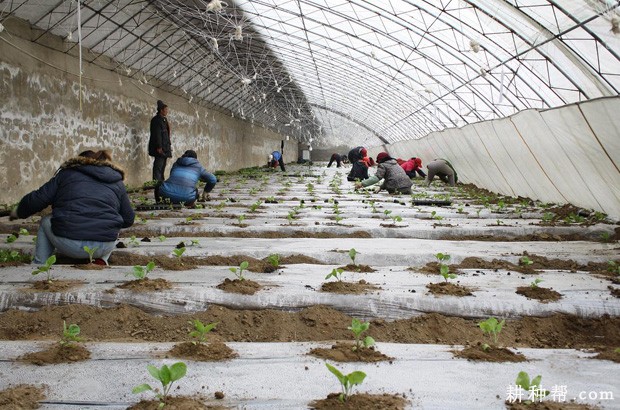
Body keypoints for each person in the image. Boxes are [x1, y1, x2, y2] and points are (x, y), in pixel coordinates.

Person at [9, 150, 135, 265]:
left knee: (46, 220)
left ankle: (39, 264)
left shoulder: (66, 174)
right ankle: (100, 259)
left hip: (70, 245)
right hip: (104, 246)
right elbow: (128, 218)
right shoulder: (116, 181)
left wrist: (18, 211)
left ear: (79, 161)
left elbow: (38, 199)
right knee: (113, 223)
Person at [149, 100, 172, 182]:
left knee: (162, 167)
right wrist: (159, 147)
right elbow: (157, 134)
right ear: (161, 110)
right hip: (160, 148)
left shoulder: (164, 120)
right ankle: (156, 185)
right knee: (158, 167)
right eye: (166, 110)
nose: (167, 112)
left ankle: (161, 183)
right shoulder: (156, 120)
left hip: (165, 147)